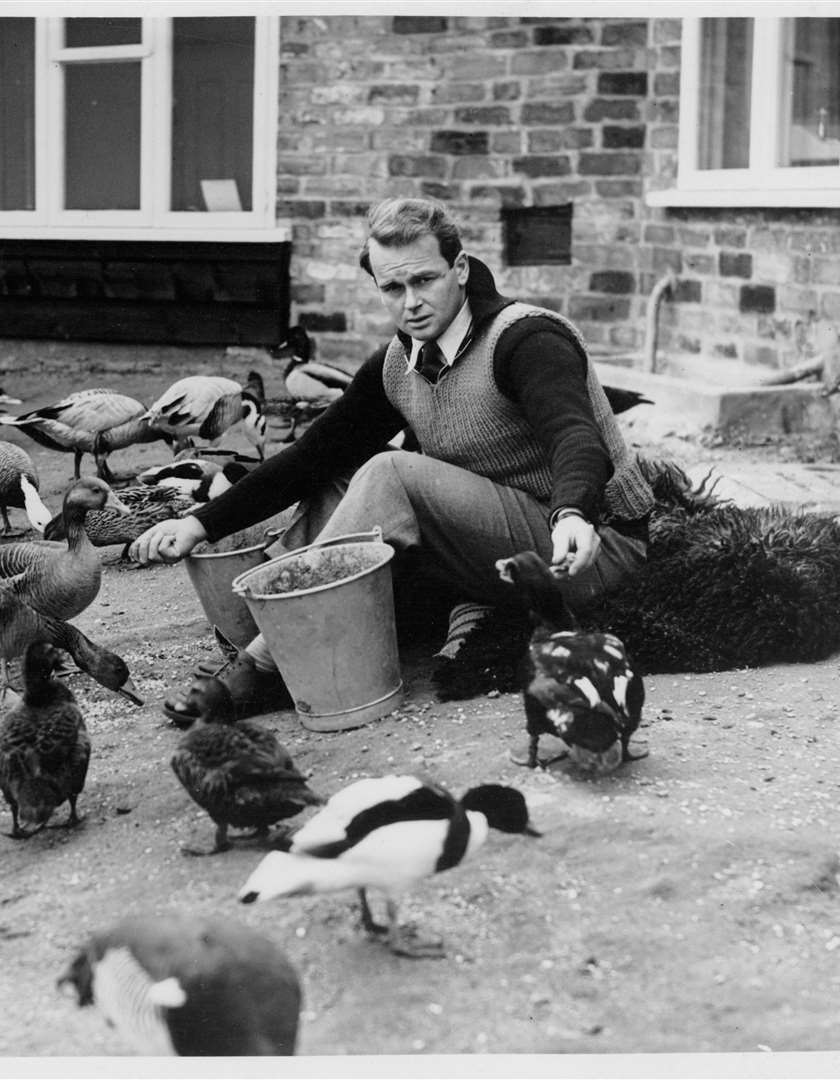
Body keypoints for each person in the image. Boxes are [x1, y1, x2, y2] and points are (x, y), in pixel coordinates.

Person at [129, 196, 656, 724]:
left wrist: (572, 512)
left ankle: (266, 663)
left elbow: (576, 437)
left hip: (587, 550)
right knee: (338, 471)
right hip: (483, 548)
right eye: (392, 288)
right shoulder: (398, 364)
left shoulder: (527, 339)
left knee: (389, 471)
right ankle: (286, 618)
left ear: (461, 268)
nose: (412, 303)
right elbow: (308, 459)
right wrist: (200, 522)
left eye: (425, 280)